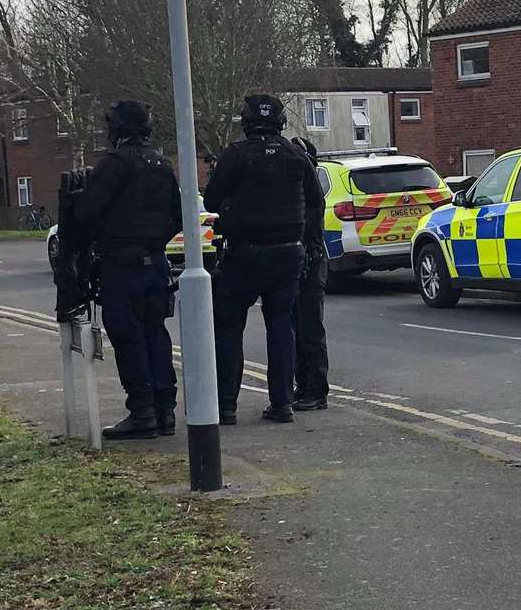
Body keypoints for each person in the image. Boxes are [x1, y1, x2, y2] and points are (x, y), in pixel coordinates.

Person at [204, 95, 321, 425]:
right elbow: (314, 199)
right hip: (287, 251)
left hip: (245, 251)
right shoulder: (296, 155)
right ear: (281, 122)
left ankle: (226, 406)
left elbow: (211, 199)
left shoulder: (236, 155)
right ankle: (282, 403)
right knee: (281, 324)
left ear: (246, 121)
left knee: (229, 327)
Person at [74, 99, 182, 440]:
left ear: (117, 127)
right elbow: (176, 216)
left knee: (127, 336)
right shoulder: (162, 164)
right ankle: (165, 411)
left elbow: (86, 214)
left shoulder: (114, 164)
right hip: (155, 263)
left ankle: (142, 412)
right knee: (156, 335)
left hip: (122, 266)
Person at [290, 136, 330, 411]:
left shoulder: (310, 188)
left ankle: (315, 390)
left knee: (309, 327)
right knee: (296, 327)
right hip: (299, 260)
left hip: (311, 261)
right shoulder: (298, 188)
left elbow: (310, 225)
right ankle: (303, 385)